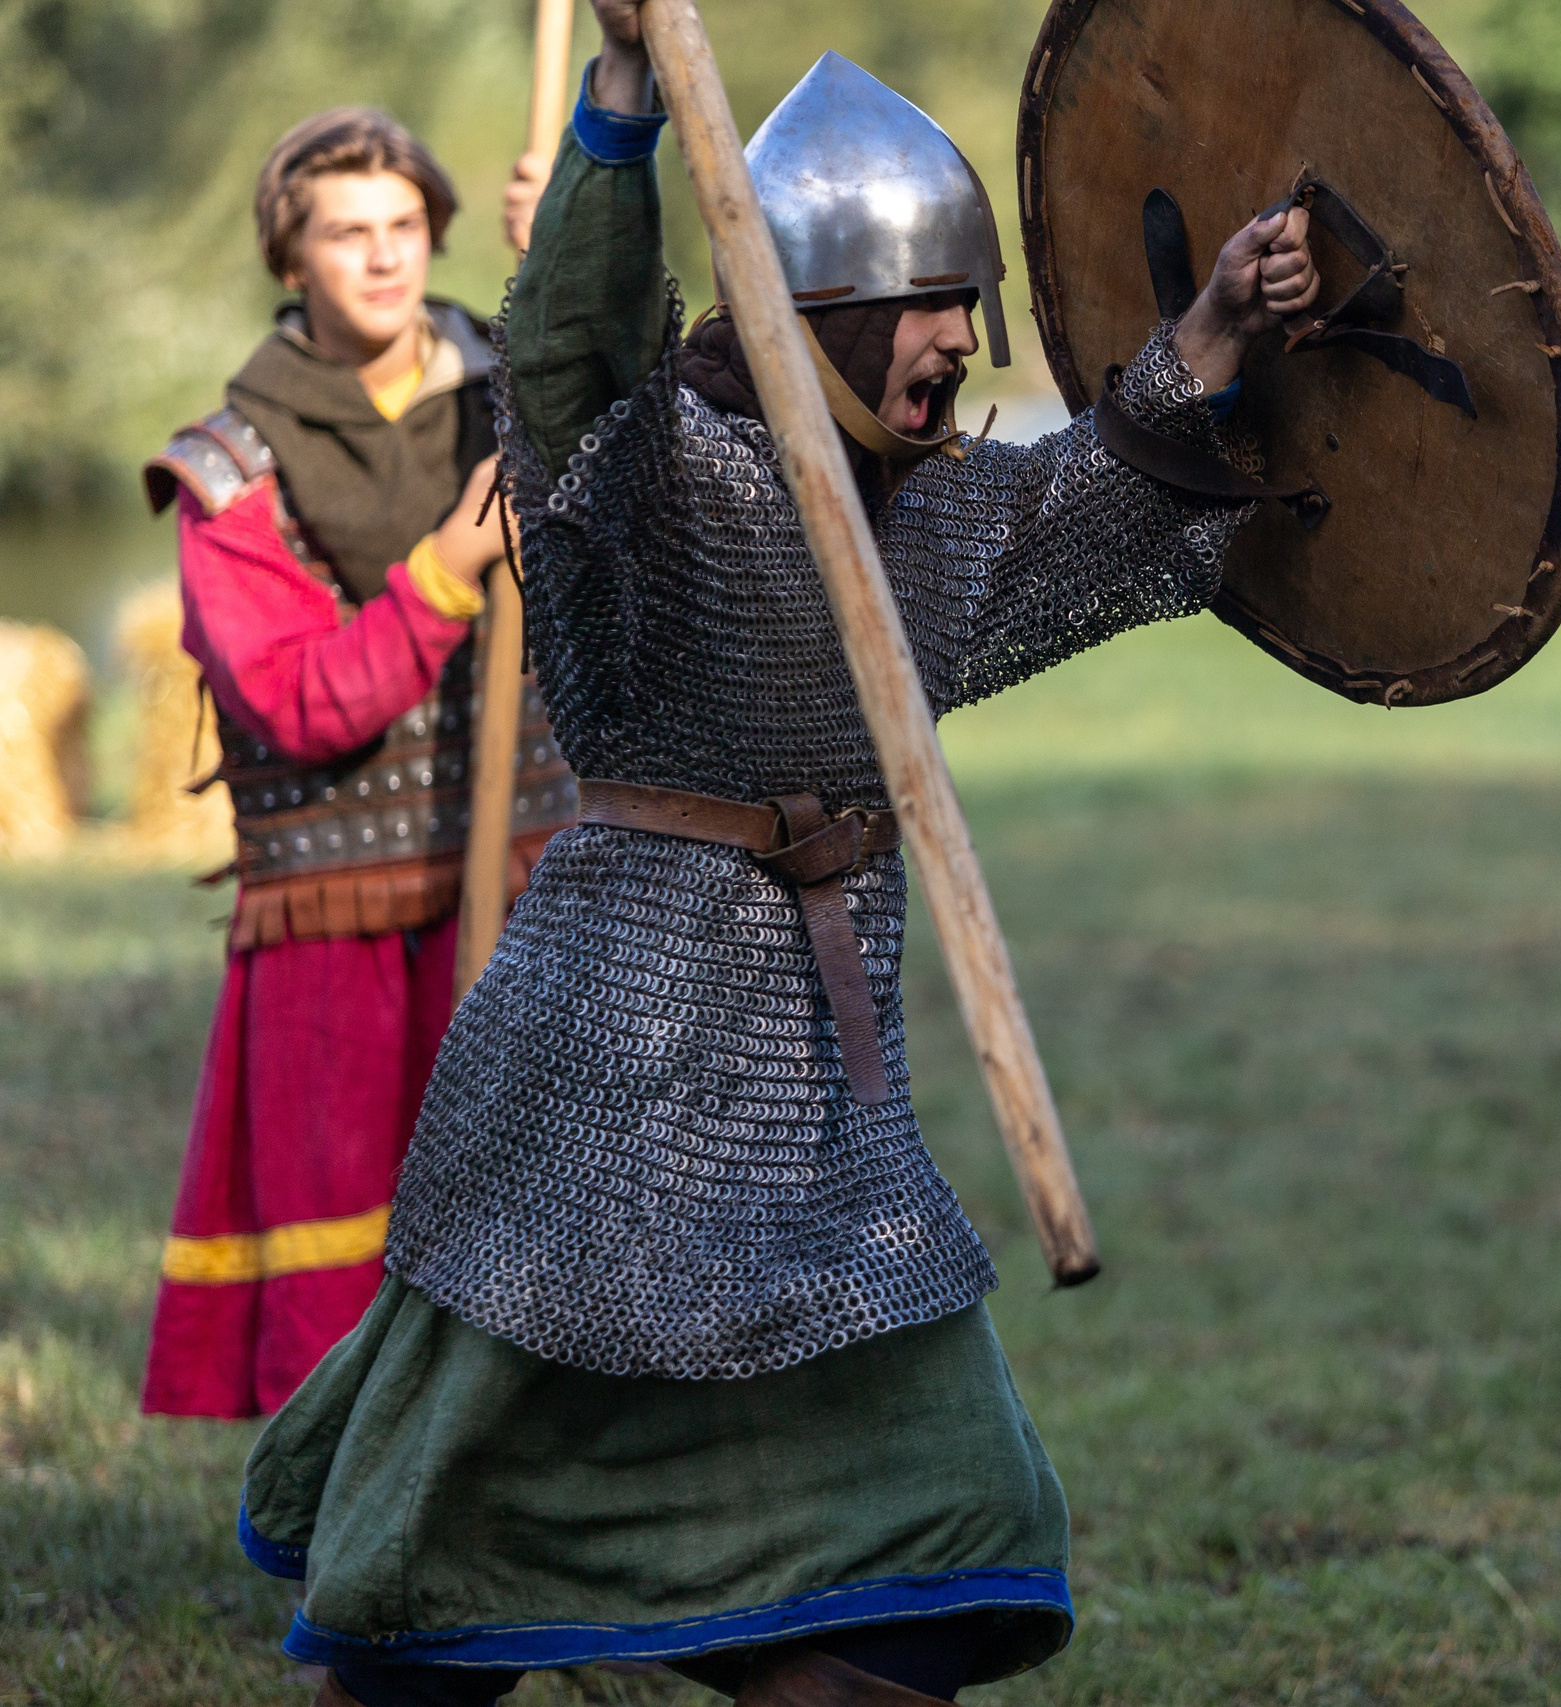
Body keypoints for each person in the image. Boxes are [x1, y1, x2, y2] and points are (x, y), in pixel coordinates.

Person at [233, 5, 1319, 1703]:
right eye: (925, 308)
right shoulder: (652, 487)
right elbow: (573, 360)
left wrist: (1218, 323)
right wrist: (615, 111)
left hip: (815, 1121)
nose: (959, 341)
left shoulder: (942, 516)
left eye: (968, 304)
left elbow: (1108, 493)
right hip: (598, 1087)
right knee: (439, 1597)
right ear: (812, 316)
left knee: (927, 1549)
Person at [138, 110, 578, 1420]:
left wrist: (581, 247)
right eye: (347, 234)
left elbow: (671, 439)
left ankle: (544, 1545)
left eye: (404, 229)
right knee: (347, 1278)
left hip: (537, 886)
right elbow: (292, 701)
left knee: (554, 1236)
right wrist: (446, 568)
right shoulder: (232, 474)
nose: (383, 261)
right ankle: (352, 1574)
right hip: (342, 936)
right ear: (291, 259)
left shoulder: (531, 378)